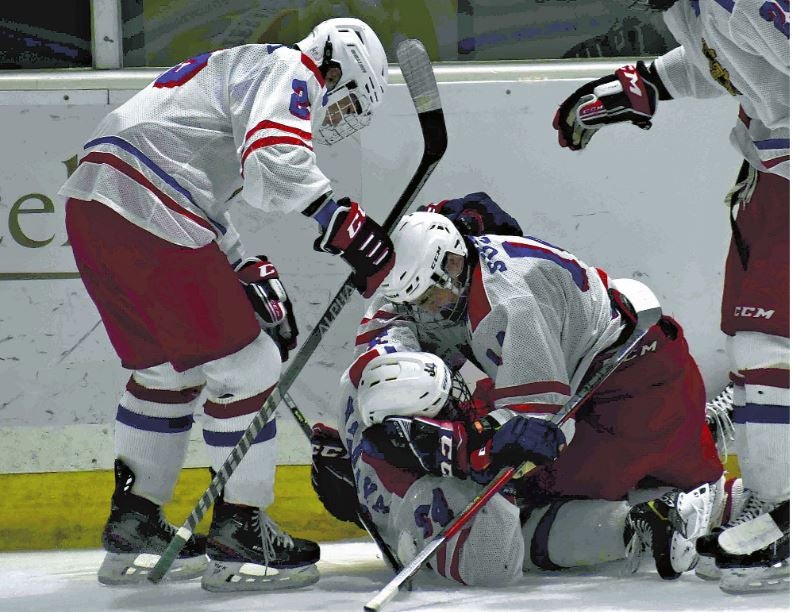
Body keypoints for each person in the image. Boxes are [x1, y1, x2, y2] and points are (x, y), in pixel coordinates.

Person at [59, 18, 393, 591]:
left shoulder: (241, 67)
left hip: (94, 204)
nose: (332, 116)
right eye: (346, 102)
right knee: (251, 367)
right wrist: (340, 221)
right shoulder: (296, 69)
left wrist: (237, 263)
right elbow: (275, 159)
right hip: (152, 204)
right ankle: (242, 534)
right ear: (334, 70)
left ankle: (134, 523)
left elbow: (198, 178)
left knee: (164, 372)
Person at [311, 200, 729, 586]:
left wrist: (465, 448)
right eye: (414, 303)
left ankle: (648, 510)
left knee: (513, 506)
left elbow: (540, 431)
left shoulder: (512, 302)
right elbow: (380, 366)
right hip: (602, 379)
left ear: (452, 264)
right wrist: (372, 443)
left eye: (429, 298)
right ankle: (684, 461)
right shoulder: (424, 275)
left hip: (631, 394)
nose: (424, 311)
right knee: (488, 458)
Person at [551, 0, 789, 593]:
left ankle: (782, 507)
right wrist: (647, 84)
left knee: (768, 349)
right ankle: (772, 497)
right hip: (772, 174)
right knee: (757, 347)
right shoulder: (695, 8)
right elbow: (736, 64)